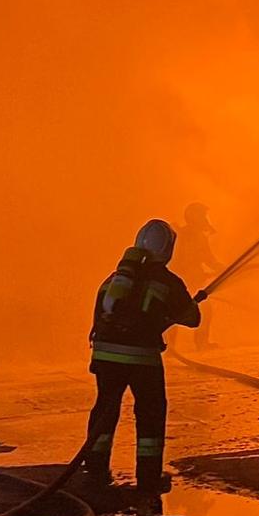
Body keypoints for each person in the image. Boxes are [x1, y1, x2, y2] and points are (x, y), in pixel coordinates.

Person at [84, 219, 204, 492]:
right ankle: (149, 477)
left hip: (105, 357)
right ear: (168, 249)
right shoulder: (167, 281)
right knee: (150, 412)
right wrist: (184, 306)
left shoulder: (114, 280)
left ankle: (95, 465)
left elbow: (100, 317)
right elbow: (192, 318)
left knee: (105, 409)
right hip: (142, 359)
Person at [176, 202, 221, 350]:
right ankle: (198, 344)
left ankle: (172, 346)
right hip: (185, 281)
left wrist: (224, 268)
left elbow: (208, 258)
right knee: (202, 310)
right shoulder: (188, 236)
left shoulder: (191, 235)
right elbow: (205, 259)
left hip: (189, 280)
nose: (205, 219)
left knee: (199, 310)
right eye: (202, 215)